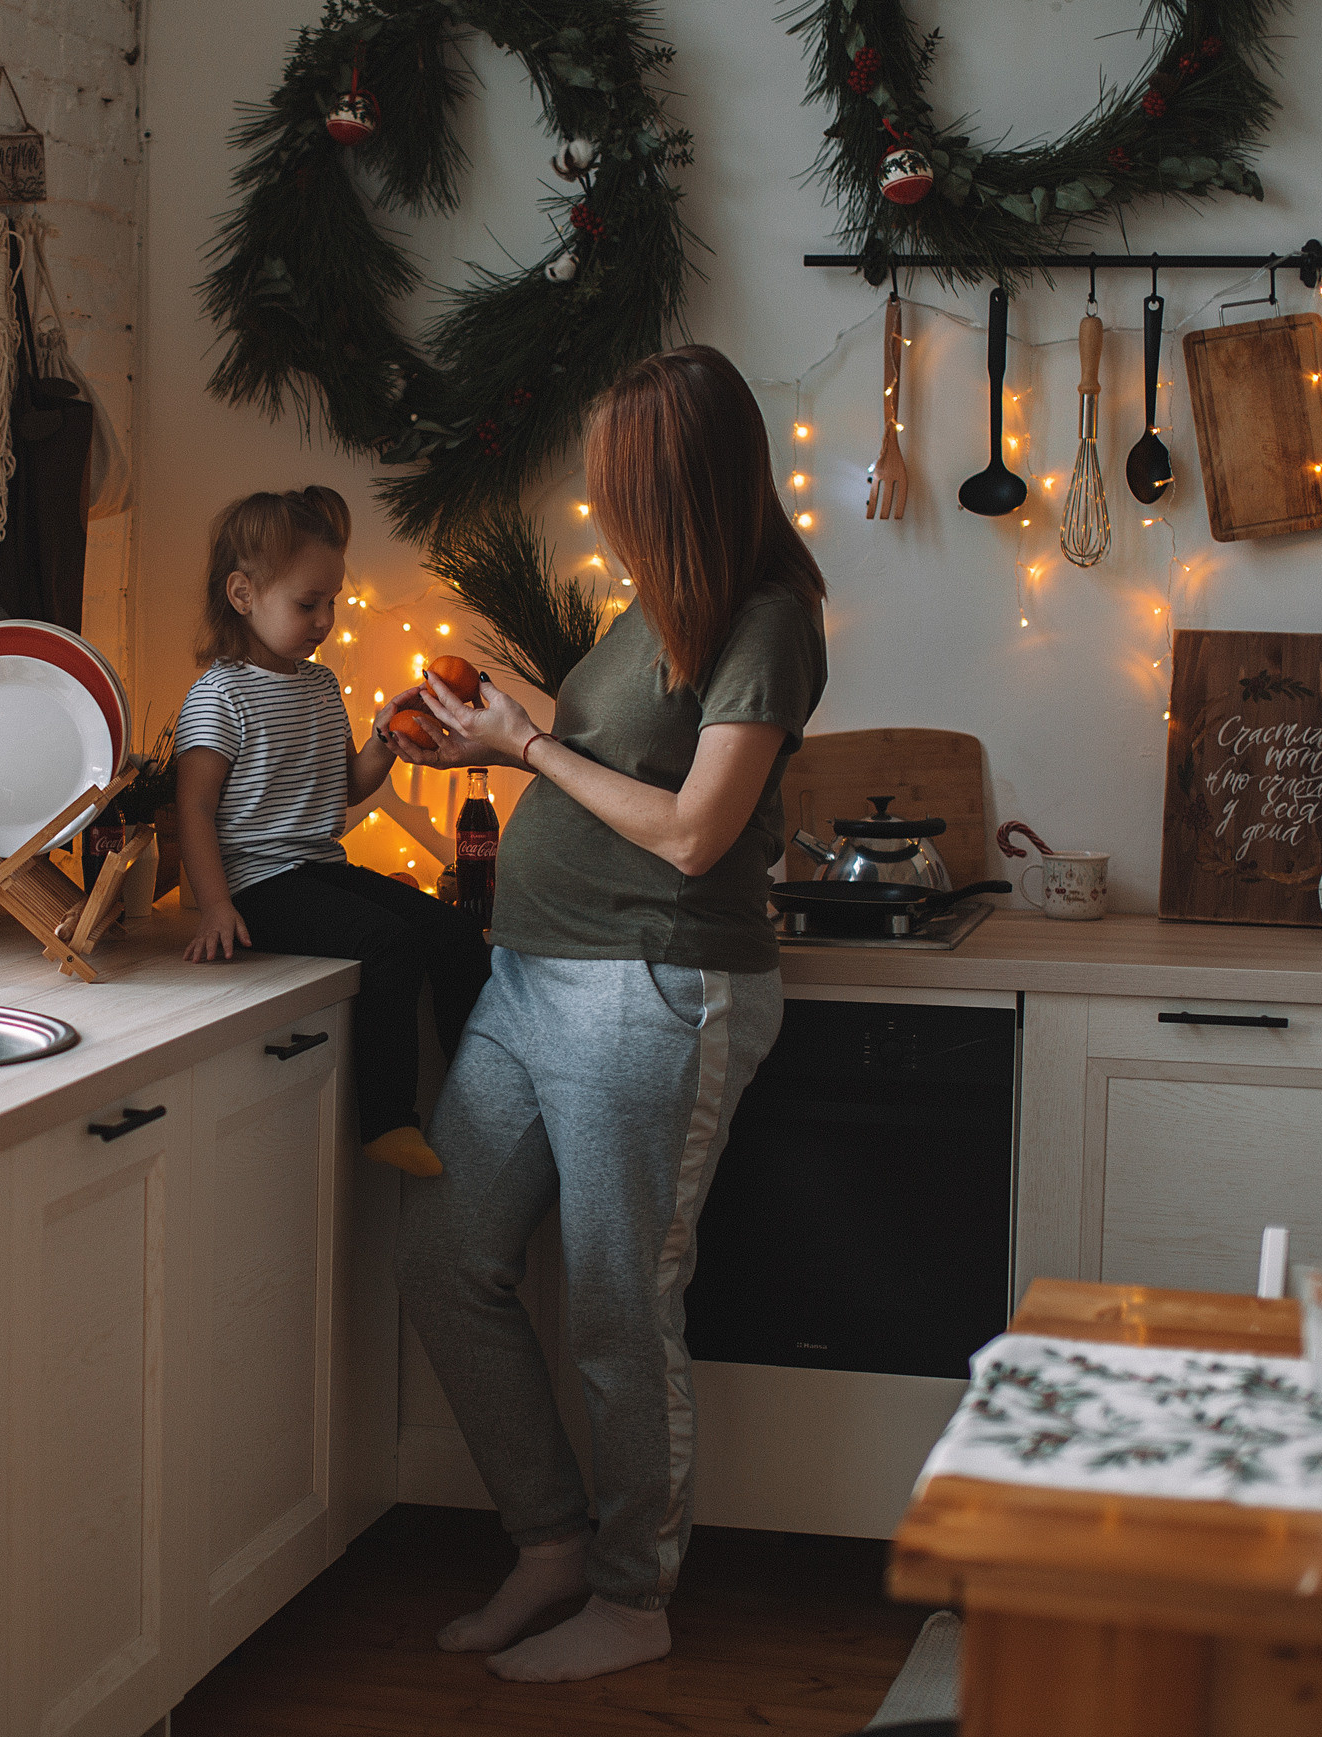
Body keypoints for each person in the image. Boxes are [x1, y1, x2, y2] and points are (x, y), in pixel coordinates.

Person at [386, 347, 828, 1682]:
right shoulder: (654, 613)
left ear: (673, 485)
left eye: (612, 484)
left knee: (623, 1308)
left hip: (653, 986)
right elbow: (606, 759)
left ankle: (636, 1597)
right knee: (445, 1260)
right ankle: (551, 1544)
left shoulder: (766, 621)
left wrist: (525, 750)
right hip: (532, 977)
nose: (596, 504)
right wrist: (502, 712)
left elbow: (695, 834)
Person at [174, 486, 491, 1178]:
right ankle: (386, 1120)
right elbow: (192, 808)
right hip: (257, 883)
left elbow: (343, 787)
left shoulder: (319, 686)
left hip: (316, 866)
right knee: (388, 943)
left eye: (332, 603)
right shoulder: (219, 694)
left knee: (458, 934)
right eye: (307, 603)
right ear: (242, 593)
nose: (325, 620)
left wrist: (385, 737)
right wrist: (215, 903)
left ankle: (483, 1100)